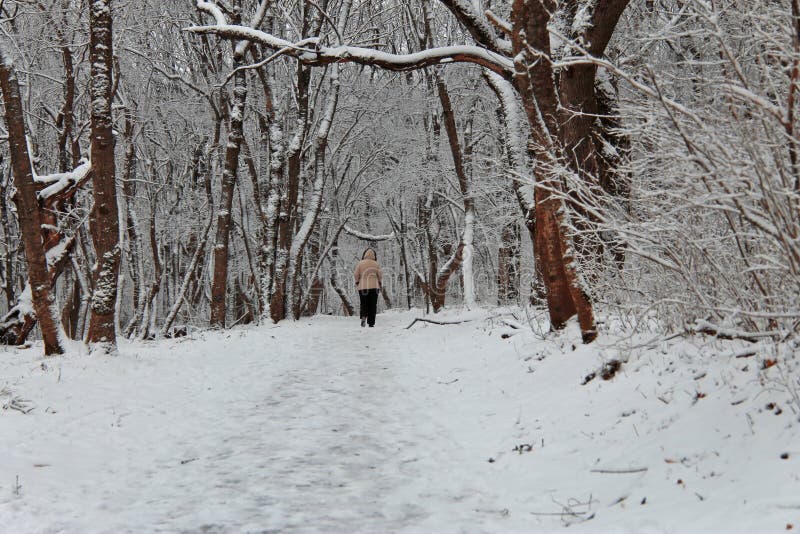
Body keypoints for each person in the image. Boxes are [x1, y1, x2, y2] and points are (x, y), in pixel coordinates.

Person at [354, 248, 383, 327]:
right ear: (373, 255)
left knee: (364, 303)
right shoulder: (376, 264)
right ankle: (371, 323)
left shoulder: (360, 263)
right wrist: (379, 282)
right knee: (373, 304)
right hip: (374, 287)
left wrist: (357, 281)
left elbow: (356, 274)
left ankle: (363, 317)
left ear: (365, 255)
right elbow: (380, 275)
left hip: (363, 287)